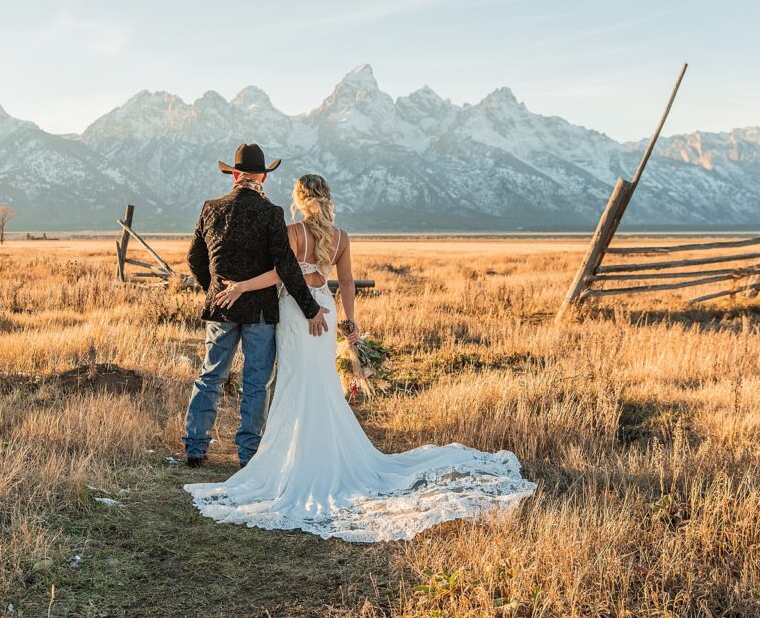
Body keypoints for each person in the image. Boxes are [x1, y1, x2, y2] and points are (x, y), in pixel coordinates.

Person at [184, 174, 536, 542]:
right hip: (326, 309)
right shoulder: (340, 238)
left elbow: (281, 274)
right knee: (320, 382)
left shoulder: (293, 232)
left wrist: (241, 285)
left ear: (301, 199)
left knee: (292, 380)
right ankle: (321, 452)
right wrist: (350, 322)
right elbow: (347, 284)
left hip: (297, 312)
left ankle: (287, 455)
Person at [184, 143, 329, 470]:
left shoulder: (211, 208)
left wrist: (216, 291)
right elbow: (287, 267)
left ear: (234, 175)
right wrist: (311, 309)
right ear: (263, 176)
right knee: (256, 381)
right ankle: (248, 455)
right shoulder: (271, 213)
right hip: (261, 312)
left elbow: (194, 259)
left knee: (211, 376)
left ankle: (195, 448)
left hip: (222, 308)